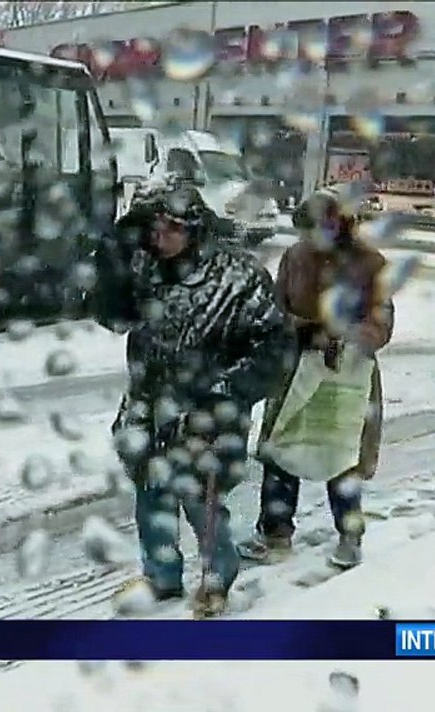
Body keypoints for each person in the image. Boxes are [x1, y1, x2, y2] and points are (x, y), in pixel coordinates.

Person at [91, 175, 294, 618]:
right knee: (151, 492)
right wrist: (112, 259)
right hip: (149, 404)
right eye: (153, 228)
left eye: (172, 228)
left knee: (203, 502)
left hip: (210, 409)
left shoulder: (239, 277)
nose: (160, 238)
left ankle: (217, 579)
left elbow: (275, 347)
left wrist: (228, 391)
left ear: (196, 227)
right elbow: (113, 316)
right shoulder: (145, 266)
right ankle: (161, 577)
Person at [238, 186, 395, 570]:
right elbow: (275, 311)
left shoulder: (371, 264)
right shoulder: (295, 256)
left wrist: (343, 335)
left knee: (341, 457)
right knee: (281, 451)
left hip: (348, 376)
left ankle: (349, 534)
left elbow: (382, 324)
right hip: (295, 370)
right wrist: (298, 330)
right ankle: (274, 532)